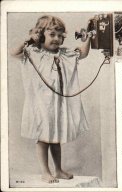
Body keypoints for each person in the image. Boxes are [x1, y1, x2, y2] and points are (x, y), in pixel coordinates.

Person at [11, 15, 91, 183]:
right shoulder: (33, 52)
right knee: (43, 137)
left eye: (60, 35)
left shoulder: (65, 53)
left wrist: (88, 39)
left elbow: (82, 54)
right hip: (41, 104)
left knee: (56, 137)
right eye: (52, 34)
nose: (57, 39)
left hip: (58, 104)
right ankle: (45, 172)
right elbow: (14, 52)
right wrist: (29, 39)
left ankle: (59, 170)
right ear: (41, 35)